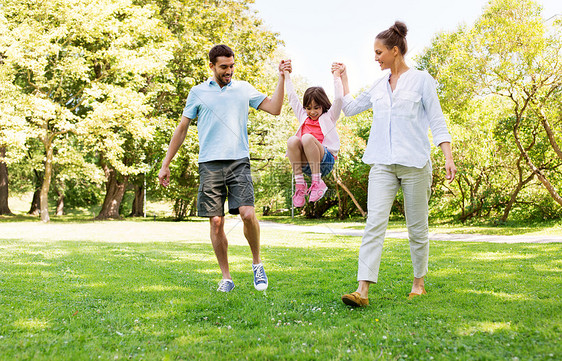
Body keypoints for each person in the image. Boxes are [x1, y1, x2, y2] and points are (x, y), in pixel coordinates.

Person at [336, 21, 457, 307]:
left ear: (394, 51)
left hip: (415, 164)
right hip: (382, 164)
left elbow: (437, 121)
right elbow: (351, 109)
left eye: (379, 52)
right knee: (373, 224)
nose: (375, 57)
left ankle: (419, 283)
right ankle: (362, 290)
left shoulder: (422, 80)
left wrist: (448, 155)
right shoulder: (378, 85)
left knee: (417, 226)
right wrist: (343, 78)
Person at [158, 44, 289, 293]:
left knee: (248, 214)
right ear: (211, 66)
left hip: (239, 160)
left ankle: (257, 264)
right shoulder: (197, 93)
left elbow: (275, 108)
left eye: (231, 66)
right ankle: (226, 277)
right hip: (209, 163)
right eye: (224, 67)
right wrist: (166, 164)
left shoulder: (243, 89)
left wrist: (282, 77)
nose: (229, 71)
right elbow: (182, 128)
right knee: (216, 221)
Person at [284, 63, 344, 207]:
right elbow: (292, 97)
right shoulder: (303, 116)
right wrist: (286, 73)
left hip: (325, 161)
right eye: (308, 108)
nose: (312, 112)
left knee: (306, 138)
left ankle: (318, 183)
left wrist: (336, 76)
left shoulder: (329, 116)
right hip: (307, 165)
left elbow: (339, 99)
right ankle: (300, 186)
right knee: (292, 141)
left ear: (323, 105)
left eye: (316, 108)